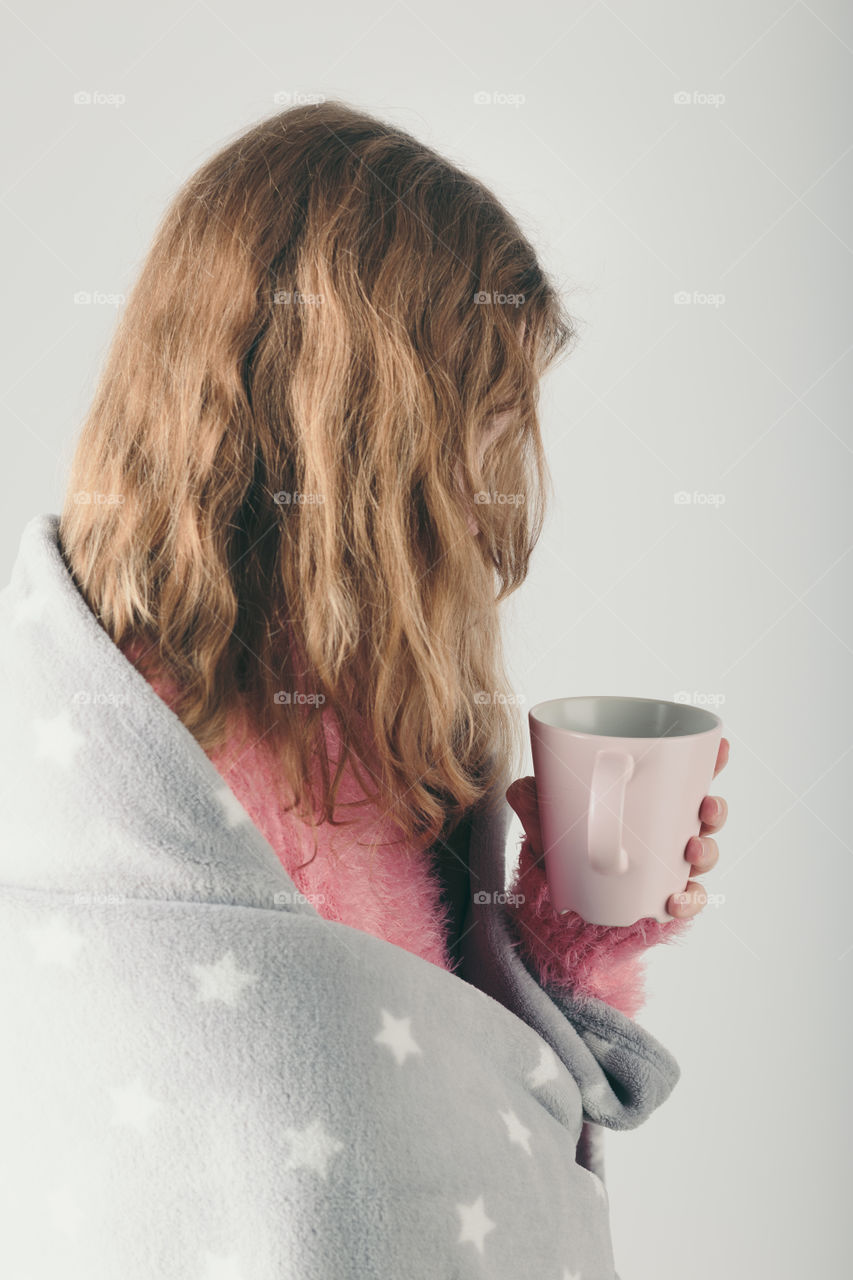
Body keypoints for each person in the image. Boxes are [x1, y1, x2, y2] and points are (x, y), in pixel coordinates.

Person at [1, 99, 729, 1278]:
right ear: (352, 432)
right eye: (484, 421)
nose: (499, 478)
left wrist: (561, 937)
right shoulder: (137, 768)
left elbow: (439, 1086)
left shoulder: (357, 722)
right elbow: (307, 1130)